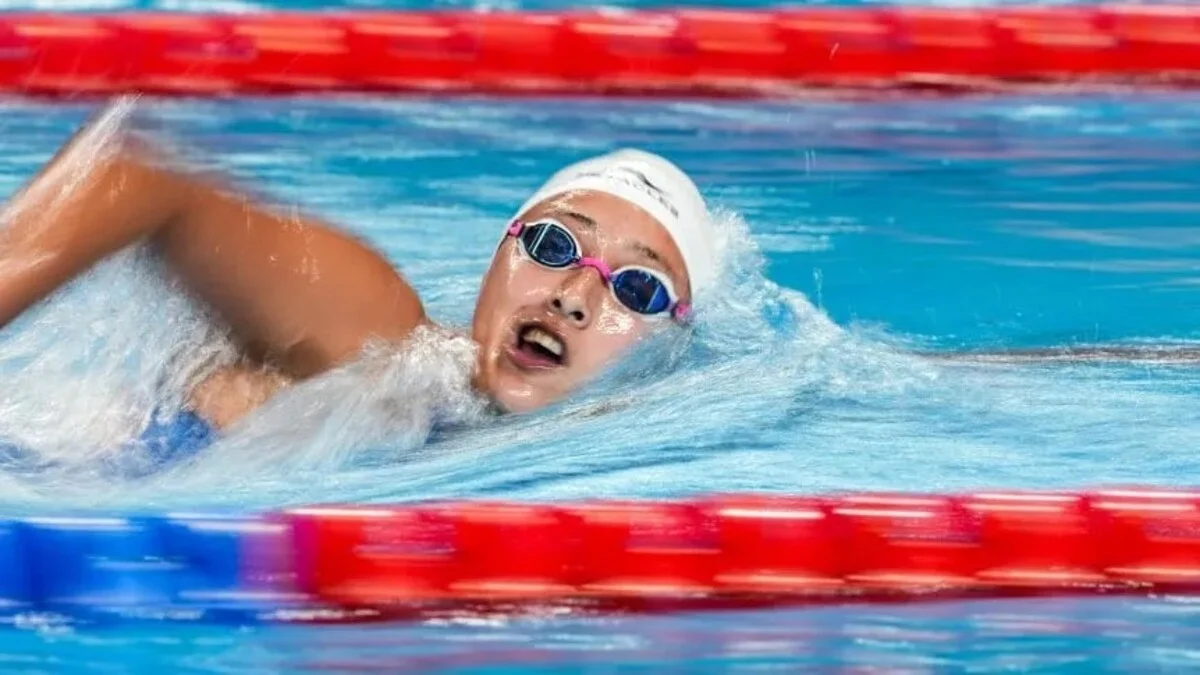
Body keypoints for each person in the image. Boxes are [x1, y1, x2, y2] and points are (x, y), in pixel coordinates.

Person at [0, 101, 719, 470]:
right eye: (553, 244)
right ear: (499, 257)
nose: (573, 296)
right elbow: (137, 163)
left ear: (672, 345)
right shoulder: (386, 342)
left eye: (638, 289)